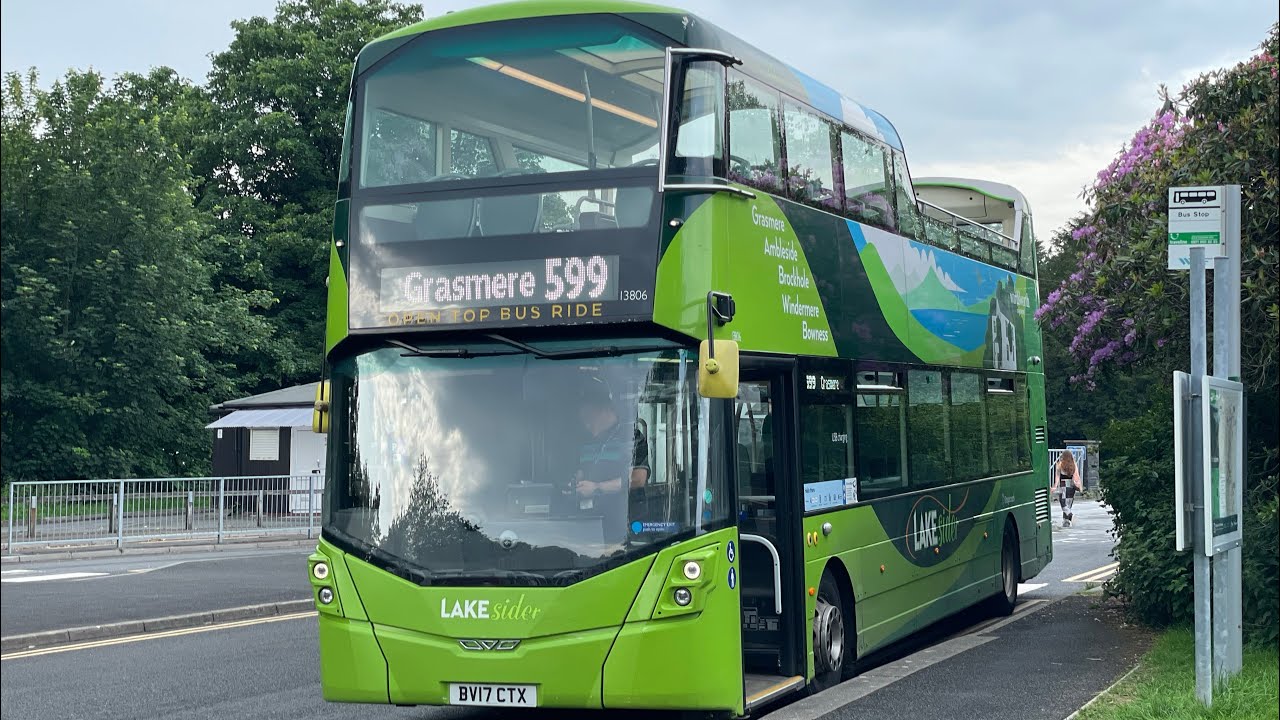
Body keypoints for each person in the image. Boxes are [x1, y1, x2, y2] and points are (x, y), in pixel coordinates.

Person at [572, 377, 649, 542]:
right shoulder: (586, 440)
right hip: (592, 523)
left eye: (588, 418)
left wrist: (597, 487)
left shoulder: (631, 437)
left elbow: (638, 479)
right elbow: (582, 470)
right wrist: (577, 480)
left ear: (604, 409)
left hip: (626, 523)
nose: (586, 425)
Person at [1053, 450, 1083, 527]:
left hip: (1063, 486)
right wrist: (1079, 485)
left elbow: (1057, 477)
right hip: (1071, 487)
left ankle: (1071, 516)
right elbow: (1076, 475)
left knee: (1063, 504)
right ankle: (1065, 521)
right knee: (1068, 504)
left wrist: (1055, 486)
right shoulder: (1073, 464)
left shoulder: (1060, 464)